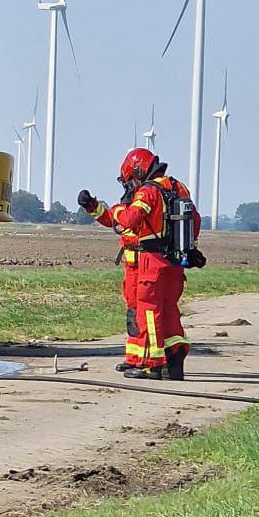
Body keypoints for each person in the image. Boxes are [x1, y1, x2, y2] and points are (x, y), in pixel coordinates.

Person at [78, 147, 202, 380]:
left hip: (149, 262)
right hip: (174, 261)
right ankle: (172, 361)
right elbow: (194, 218)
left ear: (137, 171)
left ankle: (151, 364)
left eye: (130, 180)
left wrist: (118, 211)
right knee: (167, 311)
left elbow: (128, 219)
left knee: (148, 313)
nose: (129, 186)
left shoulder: (147, 192)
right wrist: (93, 206)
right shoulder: (178, 187)